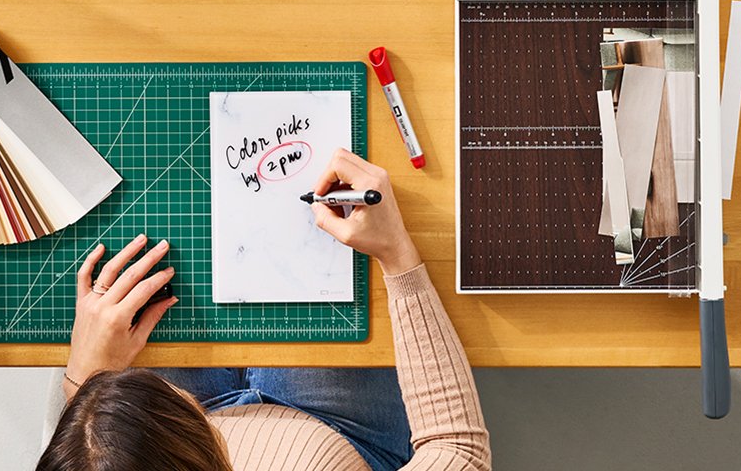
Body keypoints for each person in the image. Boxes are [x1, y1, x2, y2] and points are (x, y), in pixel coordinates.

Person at [39, 149, 490, 471]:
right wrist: (397, 254)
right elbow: (459, 451)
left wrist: (87, 379)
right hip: (342, 431)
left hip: (183, 432)